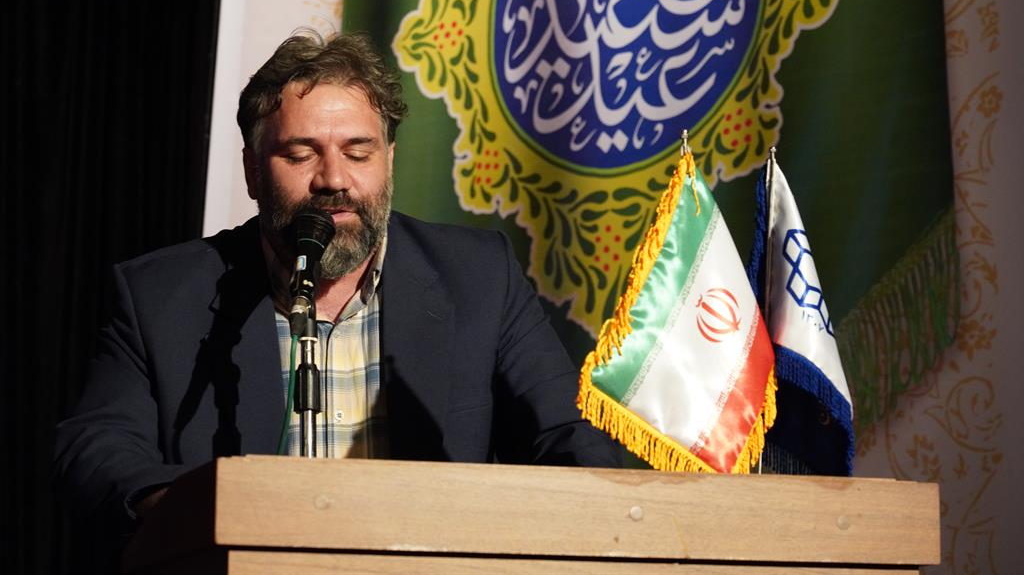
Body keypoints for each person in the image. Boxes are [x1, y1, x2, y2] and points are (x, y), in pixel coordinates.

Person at [53, 31, 620, 539]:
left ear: (389, 161)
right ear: (252, 171)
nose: (333, 179)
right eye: (301, 154)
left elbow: (567, 435)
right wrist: (196, 513)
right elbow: (96, 450)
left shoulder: (478, 276)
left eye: (358, 152)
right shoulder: (161, 294)